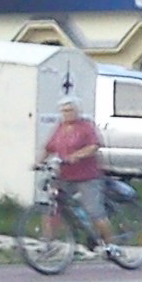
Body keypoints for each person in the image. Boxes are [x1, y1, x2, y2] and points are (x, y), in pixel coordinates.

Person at [40, 97, 116, 250]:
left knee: (94, 211)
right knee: (54, 209)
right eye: (63, 111)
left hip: (87, 176)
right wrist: (39, 162)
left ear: (77, 111)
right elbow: (49, 147)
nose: (66, 114)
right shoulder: (60, 127)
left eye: (69, 110)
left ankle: (111, 245)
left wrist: (76, 155)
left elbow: (94, 146)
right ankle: (47, 243)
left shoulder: (85, 126)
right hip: (65, 175)